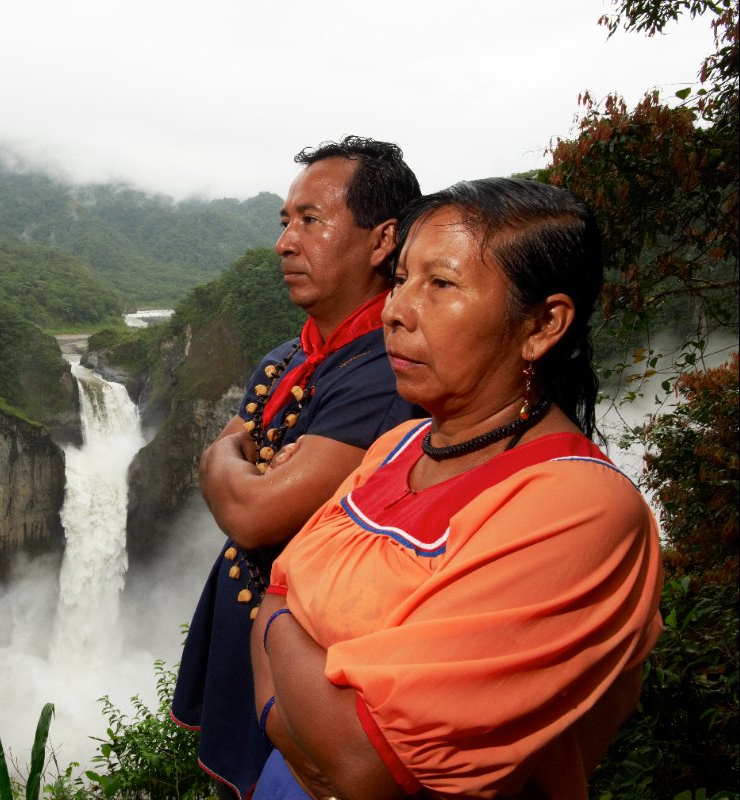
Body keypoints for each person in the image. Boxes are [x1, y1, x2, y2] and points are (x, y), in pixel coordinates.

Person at [250, 178, 664, 799]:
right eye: (401, 280)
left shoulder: (578, 508)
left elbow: (364, 763)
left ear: (542, 324)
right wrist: (295, 707)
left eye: (440, 285)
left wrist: (278, 624)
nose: (395, 310)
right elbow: (278, 595)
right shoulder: (399, 446)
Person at [171, 137, 423, 799]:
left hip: (308, 671)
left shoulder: (388, 371)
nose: (285, 242)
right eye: (285, 222)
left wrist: (230, 462)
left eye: (310, 220)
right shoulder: (289, 356)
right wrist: (236, 460)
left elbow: (252, 513)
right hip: (251, 646)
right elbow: (235, 464)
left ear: (381, 240)